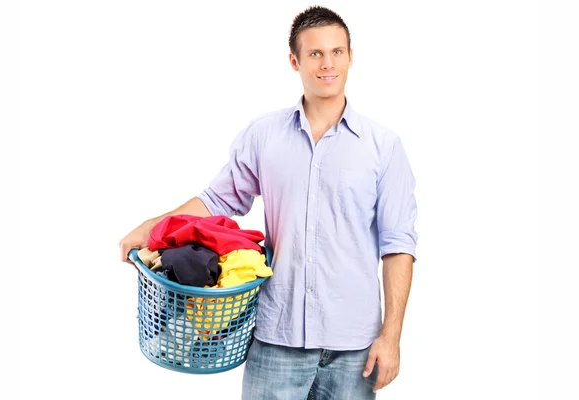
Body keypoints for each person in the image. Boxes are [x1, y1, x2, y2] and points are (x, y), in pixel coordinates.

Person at [119, 5, 418, 399]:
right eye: (315, 54)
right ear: (294, 61)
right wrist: (150, 227)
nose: (327, 64)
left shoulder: (384, 146)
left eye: (337, 52)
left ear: (350, 56)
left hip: (355, 346)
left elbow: (398, 245)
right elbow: (216, 199)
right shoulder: (264, 136)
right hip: (277, 339)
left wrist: (391, 336)